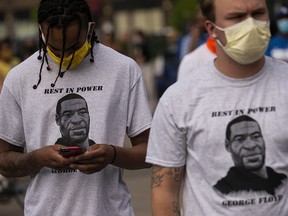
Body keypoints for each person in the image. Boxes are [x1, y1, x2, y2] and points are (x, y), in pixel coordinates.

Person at [0, 0, 152, 216]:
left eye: (72, 47)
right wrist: (38, 158)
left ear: (90, 28)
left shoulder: (123, 70)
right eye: (54, 47)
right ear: (41, 31)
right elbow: (4, 161)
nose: (64, 56)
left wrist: (113, 155)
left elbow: (150, 152)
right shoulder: (19, 78)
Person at [146, 0, 288, 215]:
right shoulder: (180, 98)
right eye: (236, 17)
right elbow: (165, 190)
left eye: (258, 13)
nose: (250, 24)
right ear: (211, 28)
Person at [214, 115, 287, 196]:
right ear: (228, 146)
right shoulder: (221, 190)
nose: (251, 145)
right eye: (240, 139)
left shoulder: (283, 180)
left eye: (256, 136)